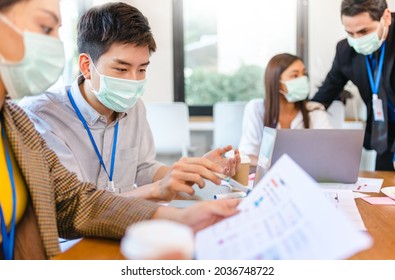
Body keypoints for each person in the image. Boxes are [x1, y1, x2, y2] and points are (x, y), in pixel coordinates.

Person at [0, 0, 239, 260]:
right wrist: (159, 191)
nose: (133, 81)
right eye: (121, 69)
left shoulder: (14, 122)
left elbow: (78, 201)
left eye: (142, 69)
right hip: (75, 244)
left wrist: (189, 179)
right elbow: (69, 212)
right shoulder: (37, 115)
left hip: (123, 231)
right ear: (86, 66)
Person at [311, 0, 395, 170]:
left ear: (385, 17)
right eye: (350, 33)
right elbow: (326, 93)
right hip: (385, 134)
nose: (357, 40)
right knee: (382, 192)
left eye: (364, 31)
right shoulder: (345, 51)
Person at [239, 53, 333, 166]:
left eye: (304, 74)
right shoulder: (256, 108)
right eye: (294, 75)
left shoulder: (315, 110)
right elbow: (246, 155)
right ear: (276, 82)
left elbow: (328, 151)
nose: (302, 79)